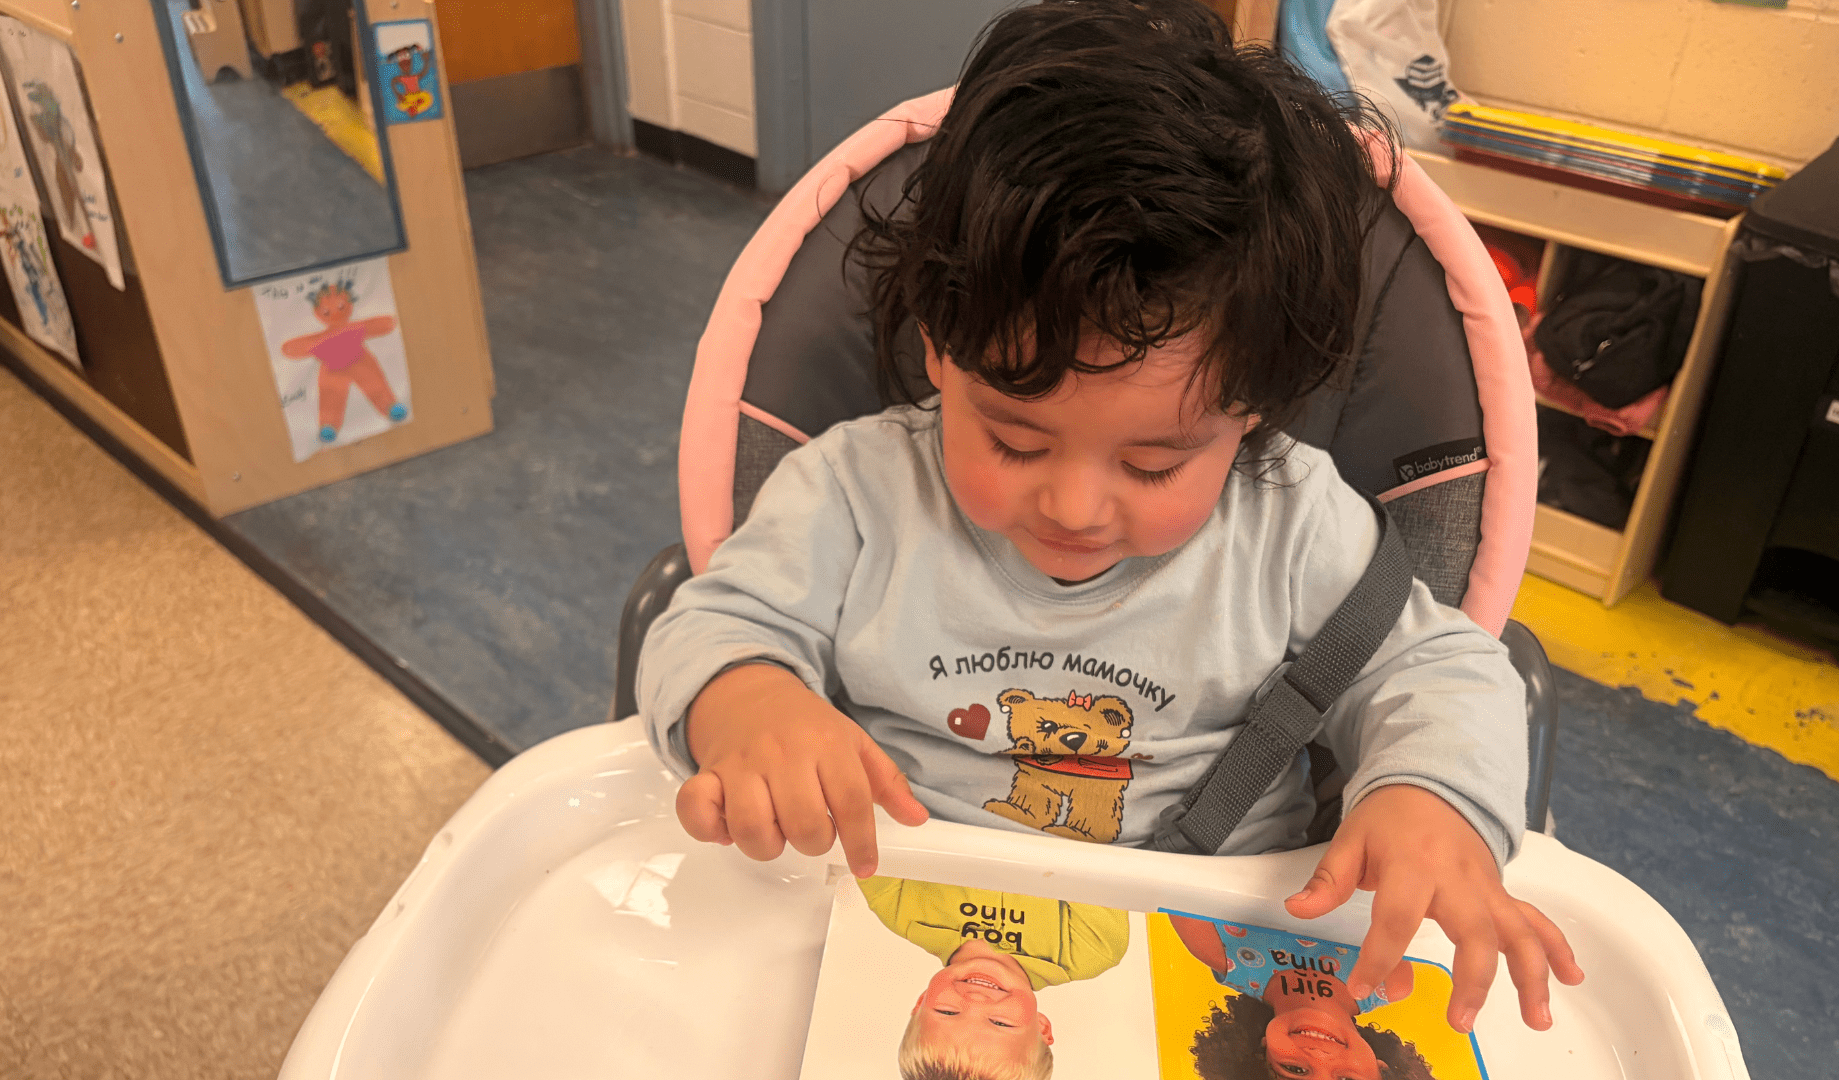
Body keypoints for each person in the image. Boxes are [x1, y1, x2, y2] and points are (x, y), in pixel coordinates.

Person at [639, 0, 1582, 1036]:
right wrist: (750, 703)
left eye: (1154, 460)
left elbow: (1436, 670)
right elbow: (712, 621)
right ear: (941, 348)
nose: (1076, 507)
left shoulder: (1291, 521)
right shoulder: (853, 493)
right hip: (891, 924)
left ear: (1251, 405)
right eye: (1014, 440)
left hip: (1200, 942)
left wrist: (1429, 796)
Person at [858, 876, 1130, 1080]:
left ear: (921, 1002)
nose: (975, 1002)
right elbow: (1103, 854)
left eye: (948, 1012)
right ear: (1042, 1027)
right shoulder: (1091, 948)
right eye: (1000, 1022)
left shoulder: (897, 904)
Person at [1167, 911, 1435, 1080]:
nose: (1318, 1055)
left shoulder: (1218, 951)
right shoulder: (1391, 978)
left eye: (1294, 1070)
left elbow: (1177, 871)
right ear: (1384, 1070)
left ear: (1260, 1054)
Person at [279, 282, 407, 443]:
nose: (334, 312)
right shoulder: (325, 338)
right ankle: (329, 425)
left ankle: (389, 406)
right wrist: (290, 348)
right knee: (332, 396)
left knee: (375, 384)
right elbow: (298, 347)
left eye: (340, 306)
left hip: (360, 363)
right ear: (318, 313)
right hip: (334, 370)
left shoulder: (352, 329)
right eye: (326, 311)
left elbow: (376, 326)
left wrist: (387, 323)